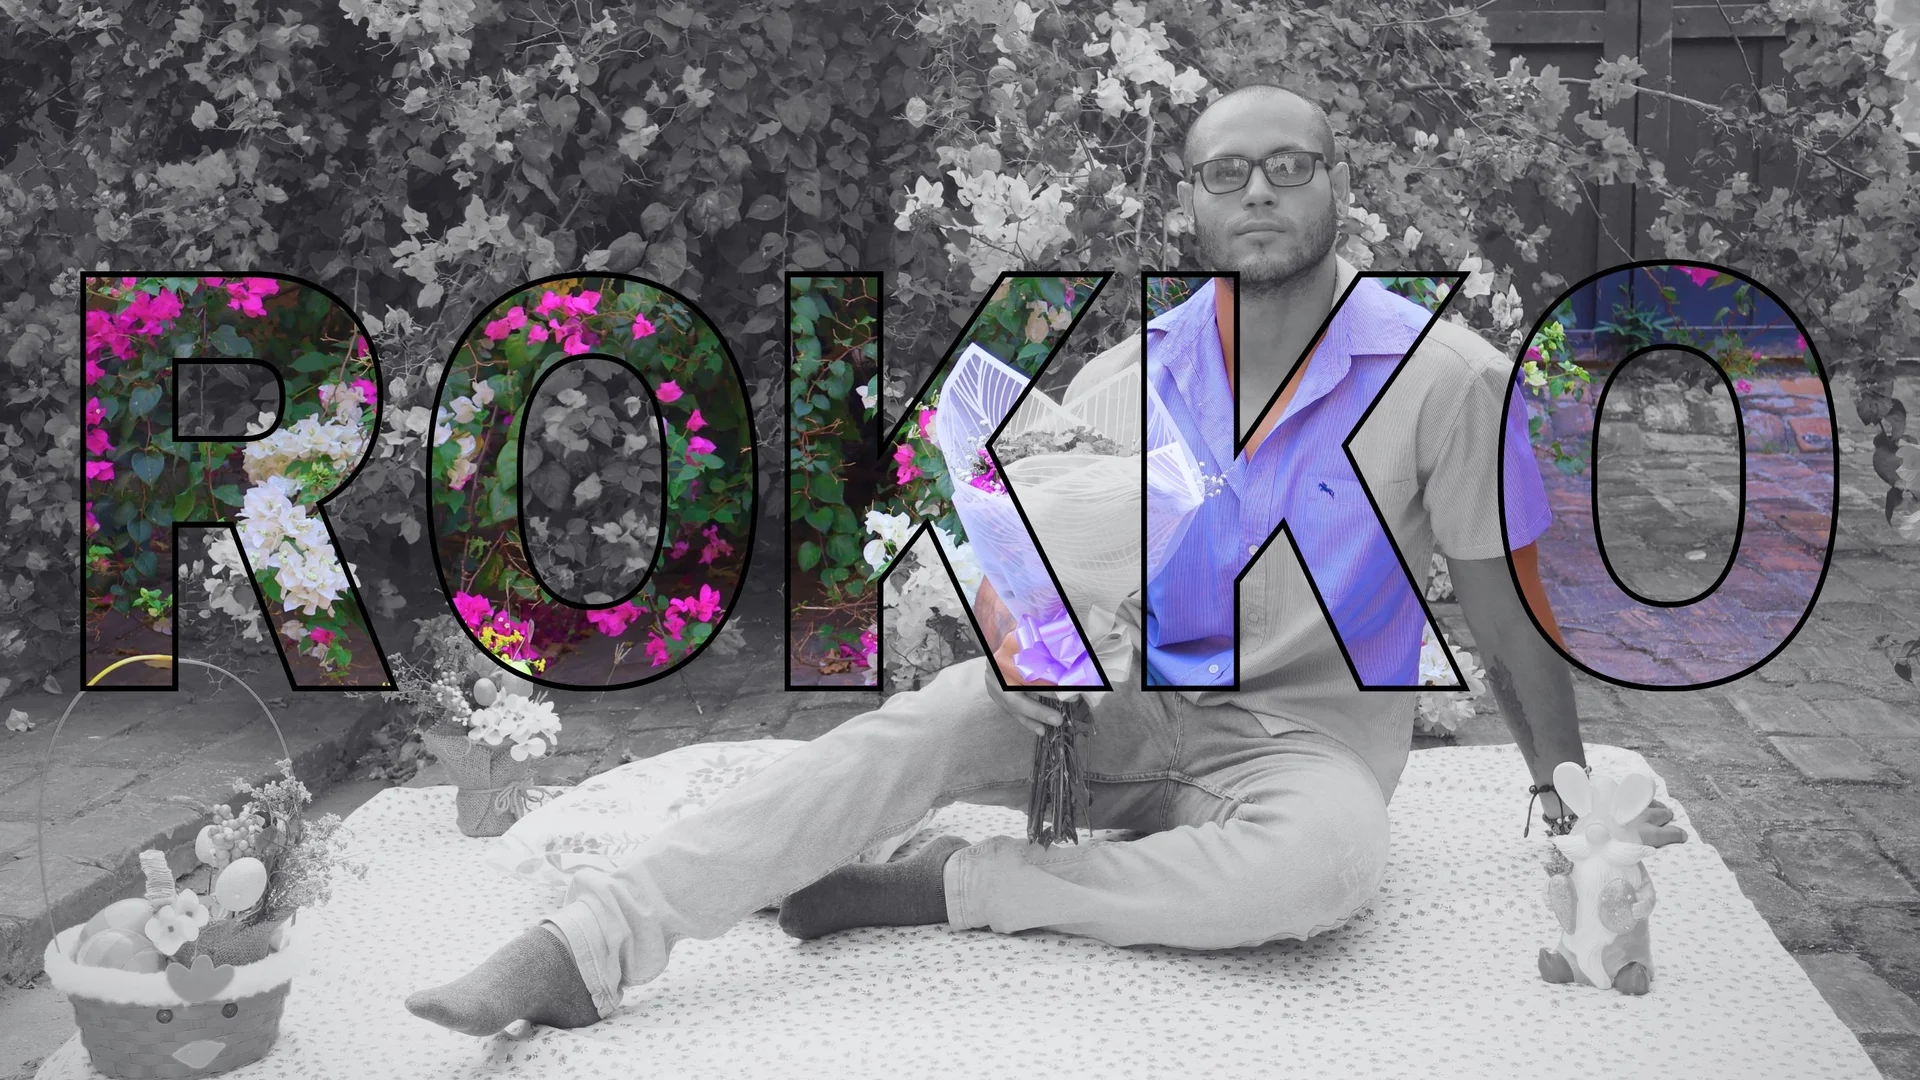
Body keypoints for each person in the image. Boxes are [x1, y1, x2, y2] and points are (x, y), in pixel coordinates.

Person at [404, 84, 1689, 1037]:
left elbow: (1508, 613)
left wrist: (1564, 794)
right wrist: (1021, 649)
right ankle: (587, 945)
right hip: (1116, 719)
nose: (1258, 193)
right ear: (1188, 202)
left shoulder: (1446, 377)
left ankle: (953, 887)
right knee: (903, 732)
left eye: (1289, 166)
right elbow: (1038, 571)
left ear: (1339, 185)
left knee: (1327, 875)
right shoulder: (1126, 378)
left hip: (1305, 752)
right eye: (1226, 172)